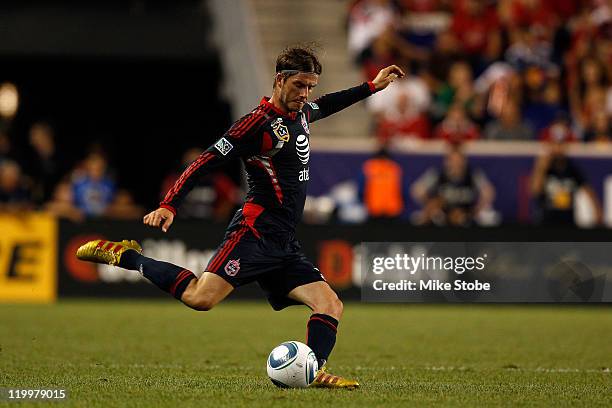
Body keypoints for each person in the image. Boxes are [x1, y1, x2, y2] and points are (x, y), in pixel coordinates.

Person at [76, 45, 404, 389]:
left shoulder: (301, 113)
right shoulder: (255, 125)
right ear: (280, 80)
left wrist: (371, 87)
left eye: (310, 87)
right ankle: (127, 256)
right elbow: (205, 161)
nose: (305, 94)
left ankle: (312, 368)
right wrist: (169, 204)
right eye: (299, 86)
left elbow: (329, 104)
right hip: (253, 233)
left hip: (284, 242)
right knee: (200, 298)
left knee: (330, 304)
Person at [411, 145, 495, 226]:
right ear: (446, 161)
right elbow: (417, 190)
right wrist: (429, 204)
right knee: (422, 217)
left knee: (488, 218)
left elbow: (488, 192)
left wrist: (477, 209)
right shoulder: (437, 173)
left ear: (464, 161)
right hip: (442, 212)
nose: (455, 163)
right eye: (452, 160)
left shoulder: (474, 174)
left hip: (467, 212)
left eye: (458, 160)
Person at [531, 140, 603, 226]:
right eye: (555, 145)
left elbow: (588, 190)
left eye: (560, 145)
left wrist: (597, 211)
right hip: (547, 220)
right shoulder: (546, 169)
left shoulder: (571, 168)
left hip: (568, 220)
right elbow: (535, 190)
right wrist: (541, 168)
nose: (558, 149)